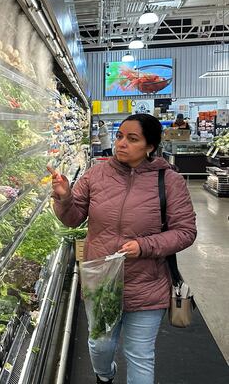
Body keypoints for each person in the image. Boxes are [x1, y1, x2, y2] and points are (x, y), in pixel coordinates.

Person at [46, 114, 197, 384]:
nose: (121, 143)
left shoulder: (170, 182)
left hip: (146, 284)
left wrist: (145, 246)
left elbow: (185, 232)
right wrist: (65, 198)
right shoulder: (96, 174)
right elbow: (73, 218)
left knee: (140, 355)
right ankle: (106, 376)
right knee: (100, 347)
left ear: (150, 146)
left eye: (132, 138)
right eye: (119, 137)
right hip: (102, 284)